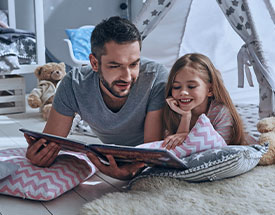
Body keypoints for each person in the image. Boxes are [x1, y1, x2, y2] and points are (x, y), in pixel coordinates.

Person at [24, 16, 168, 180]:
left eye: (134, 64)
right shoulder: (74, 84)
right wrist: (40, 154)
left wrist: (134, 171)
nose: (127, 77)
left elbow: (151, 153)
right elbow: (51, 141)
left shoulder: (156, 78)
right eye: (115, 66)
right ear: (94, 63)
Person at [162, 53, 247, 150]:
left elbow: (218, 150)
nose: (183, 92)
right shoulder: (173, 110)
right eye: (176, 87)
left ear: (210, 90)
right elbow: (175, 151)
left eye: (191, 86)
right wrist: (185, 117)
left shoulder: (220, 112)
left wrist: (186, 137)